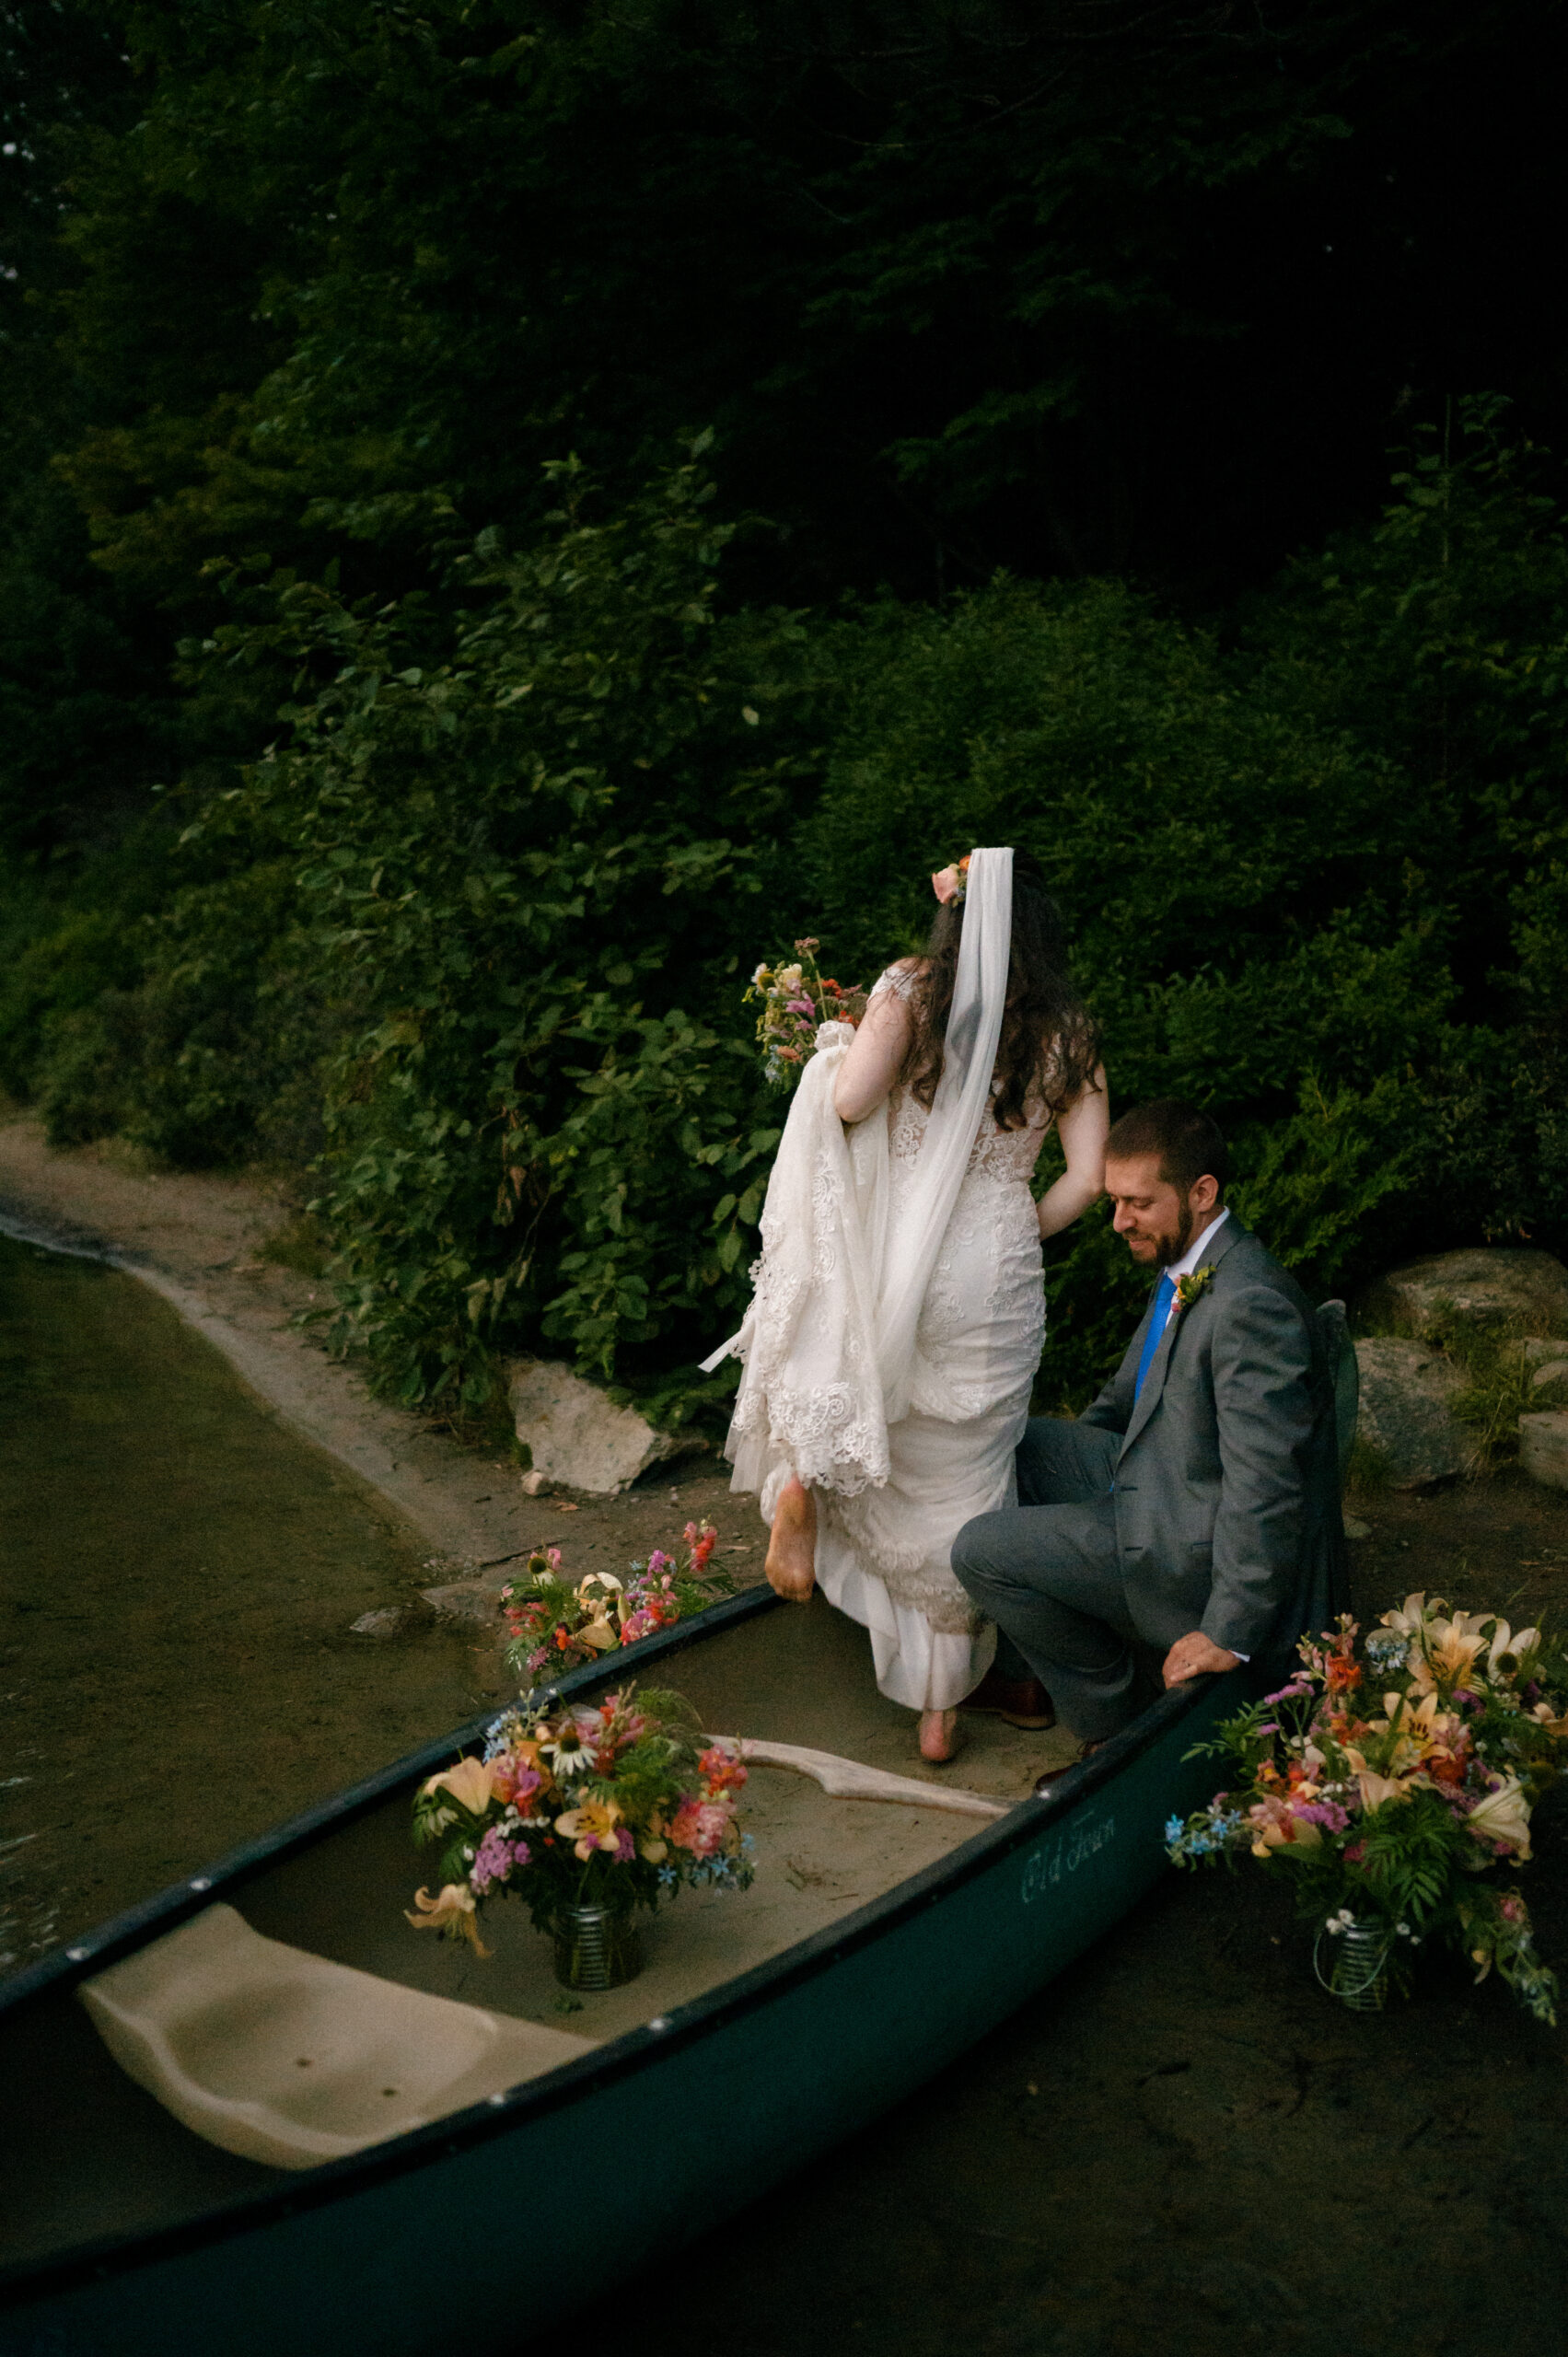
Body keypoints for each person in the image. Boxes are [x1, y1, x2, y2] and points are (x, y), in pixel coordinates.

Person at [703, 846, 1108, 1763]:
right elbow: (1085, 1178)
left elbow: (847, 1103)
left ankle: (804, 1482)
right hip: (993, 1267)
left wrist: (835, 1046)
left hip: (900, 1252)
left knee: (886, 1419)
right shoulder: (1069, 1033)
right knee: (967, 1470)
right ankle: (941, 1709)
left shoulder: (909, 990)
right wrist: (1013, 1229)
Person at [951, 1098, 1347, 1788]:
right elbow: (1119, 1406)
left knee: (981, 1549)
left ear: (1200, 1193)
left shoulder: (1248, 1305)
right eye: (1113, 1200)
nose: (1117, 1221)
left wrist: (1226, 1629)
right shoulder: (1190, 1262)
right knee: (1009, 1445)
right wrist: (1075, 1476)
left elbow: (1266, 1487)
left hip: (1189, 1545)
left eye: (1137, 1203)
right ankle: (1029, 1669)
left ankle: (1114, 1723)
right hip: (1161, 1478)